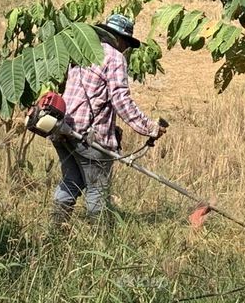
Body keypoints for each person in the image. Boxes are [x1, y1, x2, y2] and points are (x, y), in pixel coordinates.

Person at [51, 14, 165, 225]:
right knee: (97, 190)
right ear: (120, 39)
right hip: (88, 136)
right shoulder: (114, 57)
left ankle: (55, 236)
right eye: (127, 44)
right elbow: (121, 100)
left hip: (64, 128)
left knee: (71, 182)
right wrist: (149, 127)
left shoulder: (81, 51)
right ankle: (99, 243)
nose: (125, 49)